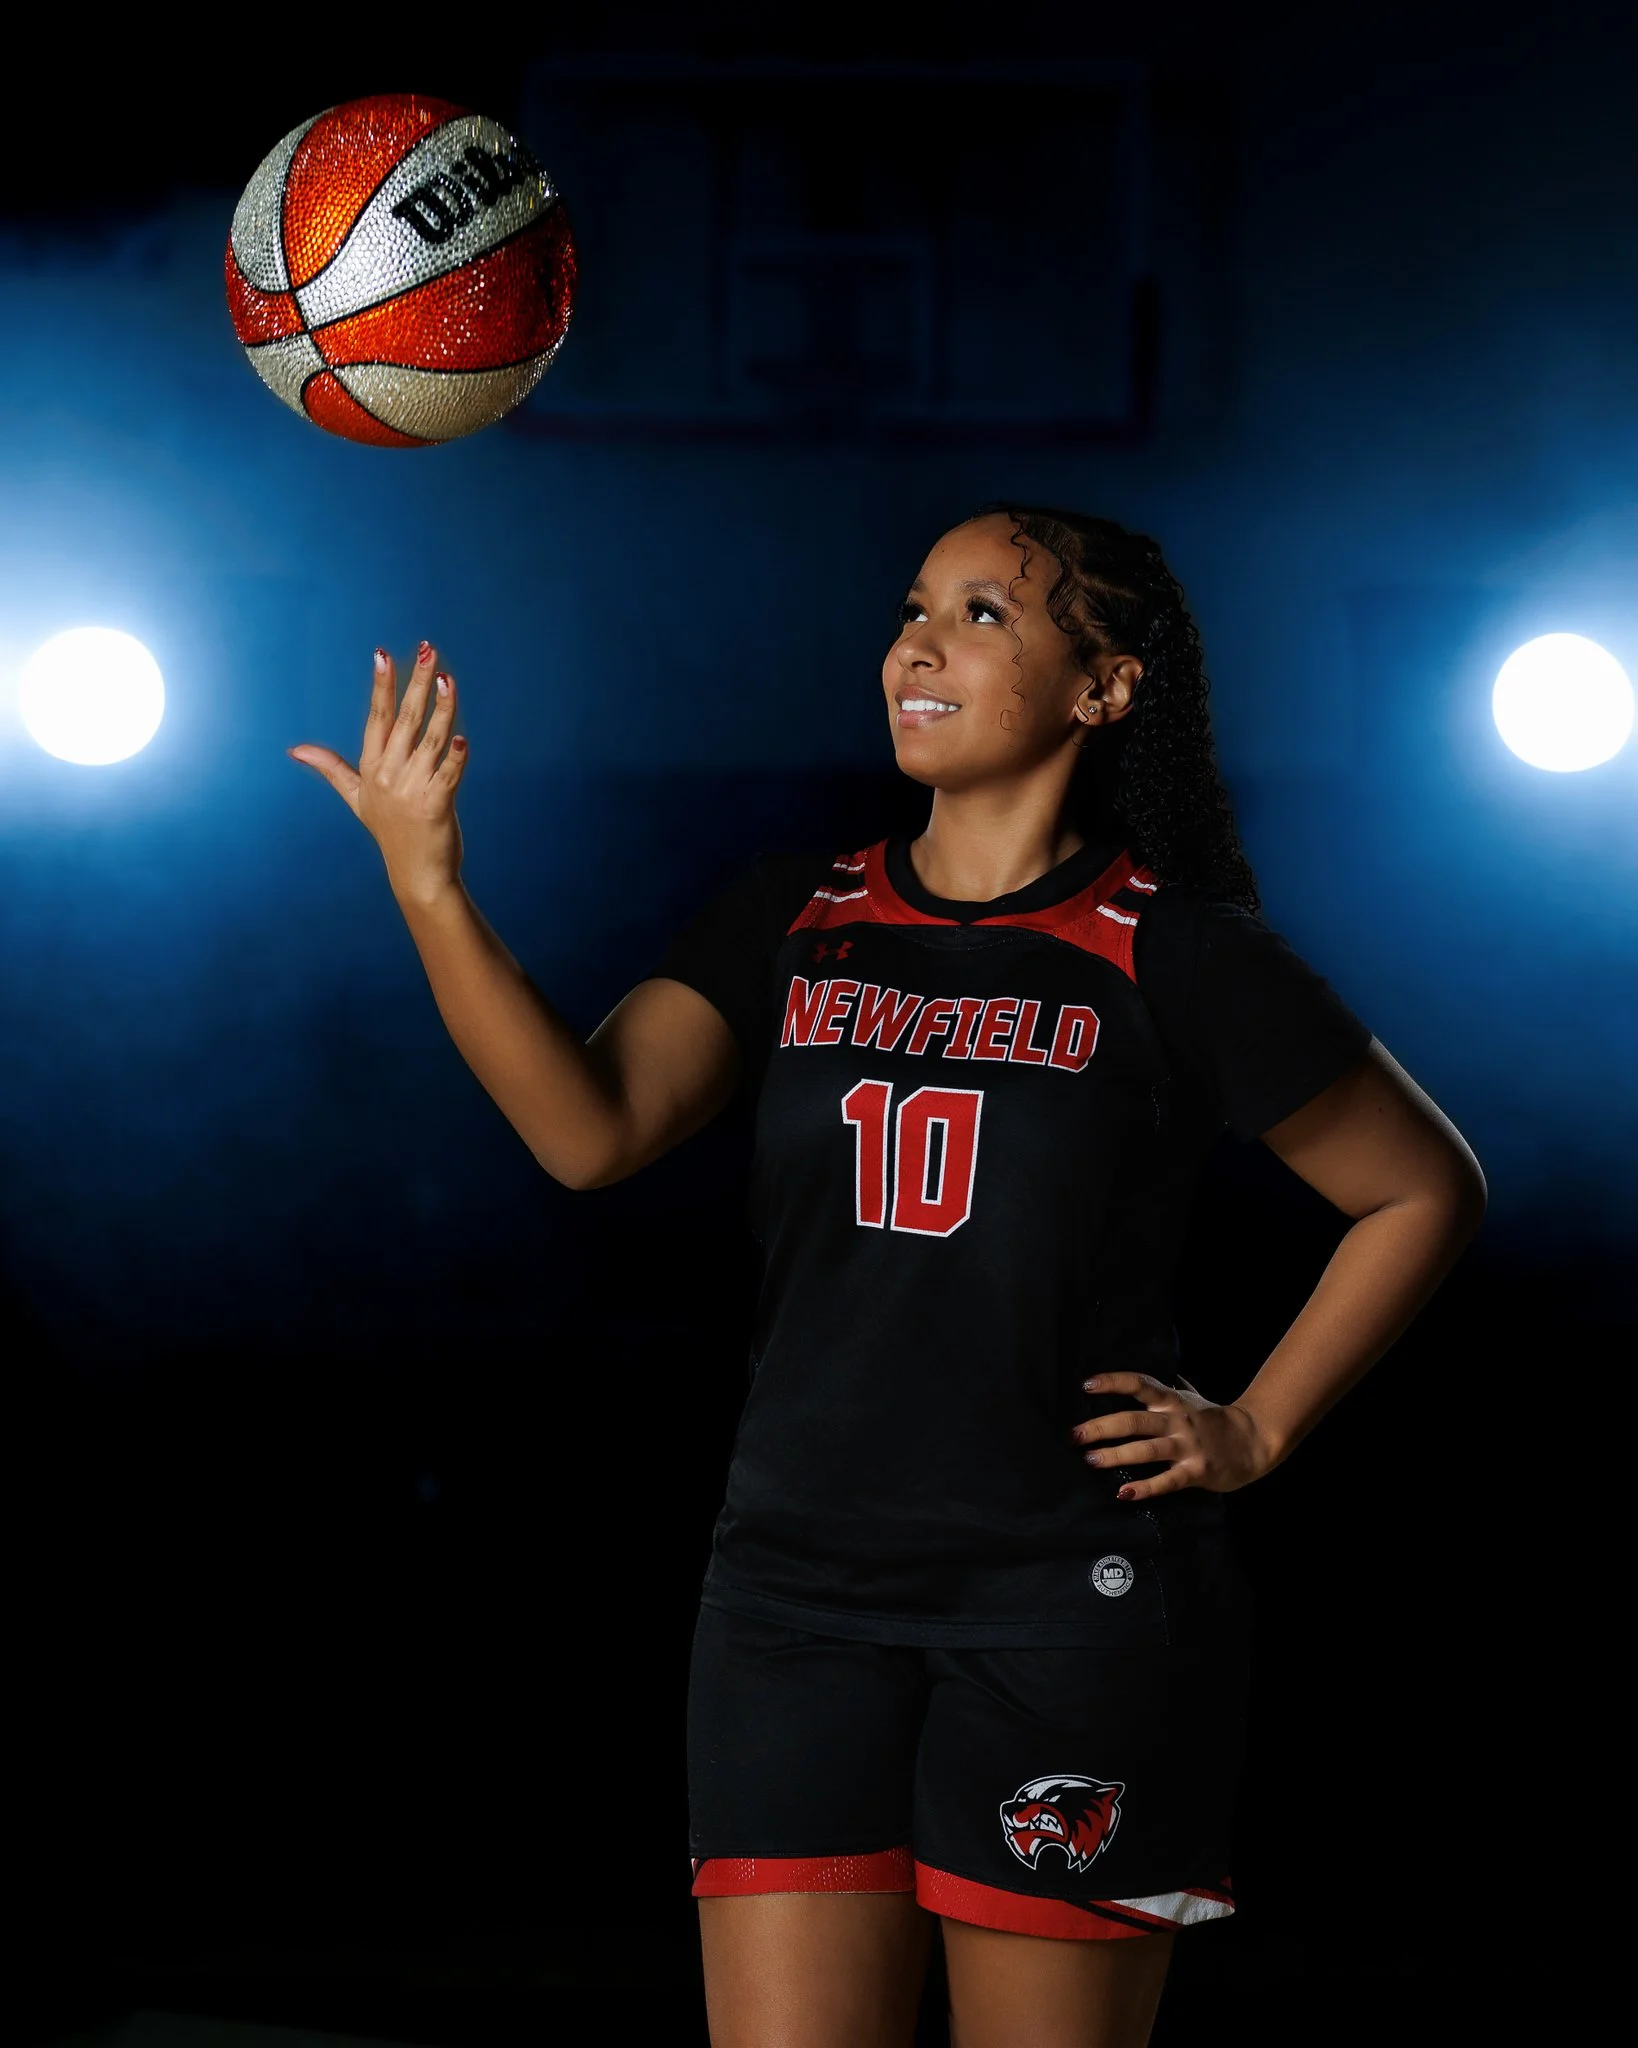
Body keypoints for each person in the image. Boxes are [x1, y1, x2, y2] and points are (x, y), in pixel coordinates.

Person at [289, 506, 1486, 2048]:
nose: (918, 642)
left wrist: (1254, 1426)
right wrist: (429, 885)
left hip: (1067, 1606)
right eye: (914, 606)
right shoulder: (793, 917)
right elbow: (587, 1134)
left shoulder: (1173, 956)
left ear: (1103, 688)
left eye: (986, 615)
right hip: (789, 1601)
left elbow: (1418, 1187)